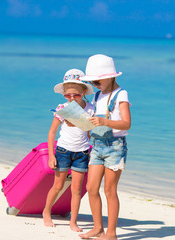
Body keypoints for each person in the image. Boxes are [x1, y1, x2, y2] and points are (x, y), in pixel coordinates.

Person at [79, 54, 131, 240]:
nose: (94, 84)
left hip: (115, 147)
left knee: (110, 190)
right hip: (97, 146)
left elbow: (126, 124)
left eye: (97, 81)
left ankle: (111, 233)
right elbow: (95, 121)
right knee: (92, 188)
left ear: (109, 77)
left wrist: (104, 121)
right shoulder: (98, 94)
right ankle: (98, 228)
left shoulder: (121, 94)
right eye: (92, 82)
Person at [43, 69, 94, 232]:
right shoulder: (62, 108)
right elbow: (51, 132)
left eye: (76, 95)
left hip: (82, 153)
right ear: (64, 94)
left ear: (84, 92)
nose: (71, 98)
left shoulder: (91, 109)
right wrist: (51, 155)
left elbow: (89, 132)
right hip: (63, 151)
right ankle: (46, 211)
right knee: (58, 186)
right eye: (68, 95)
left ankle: (73, 221)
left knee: (76, 189)